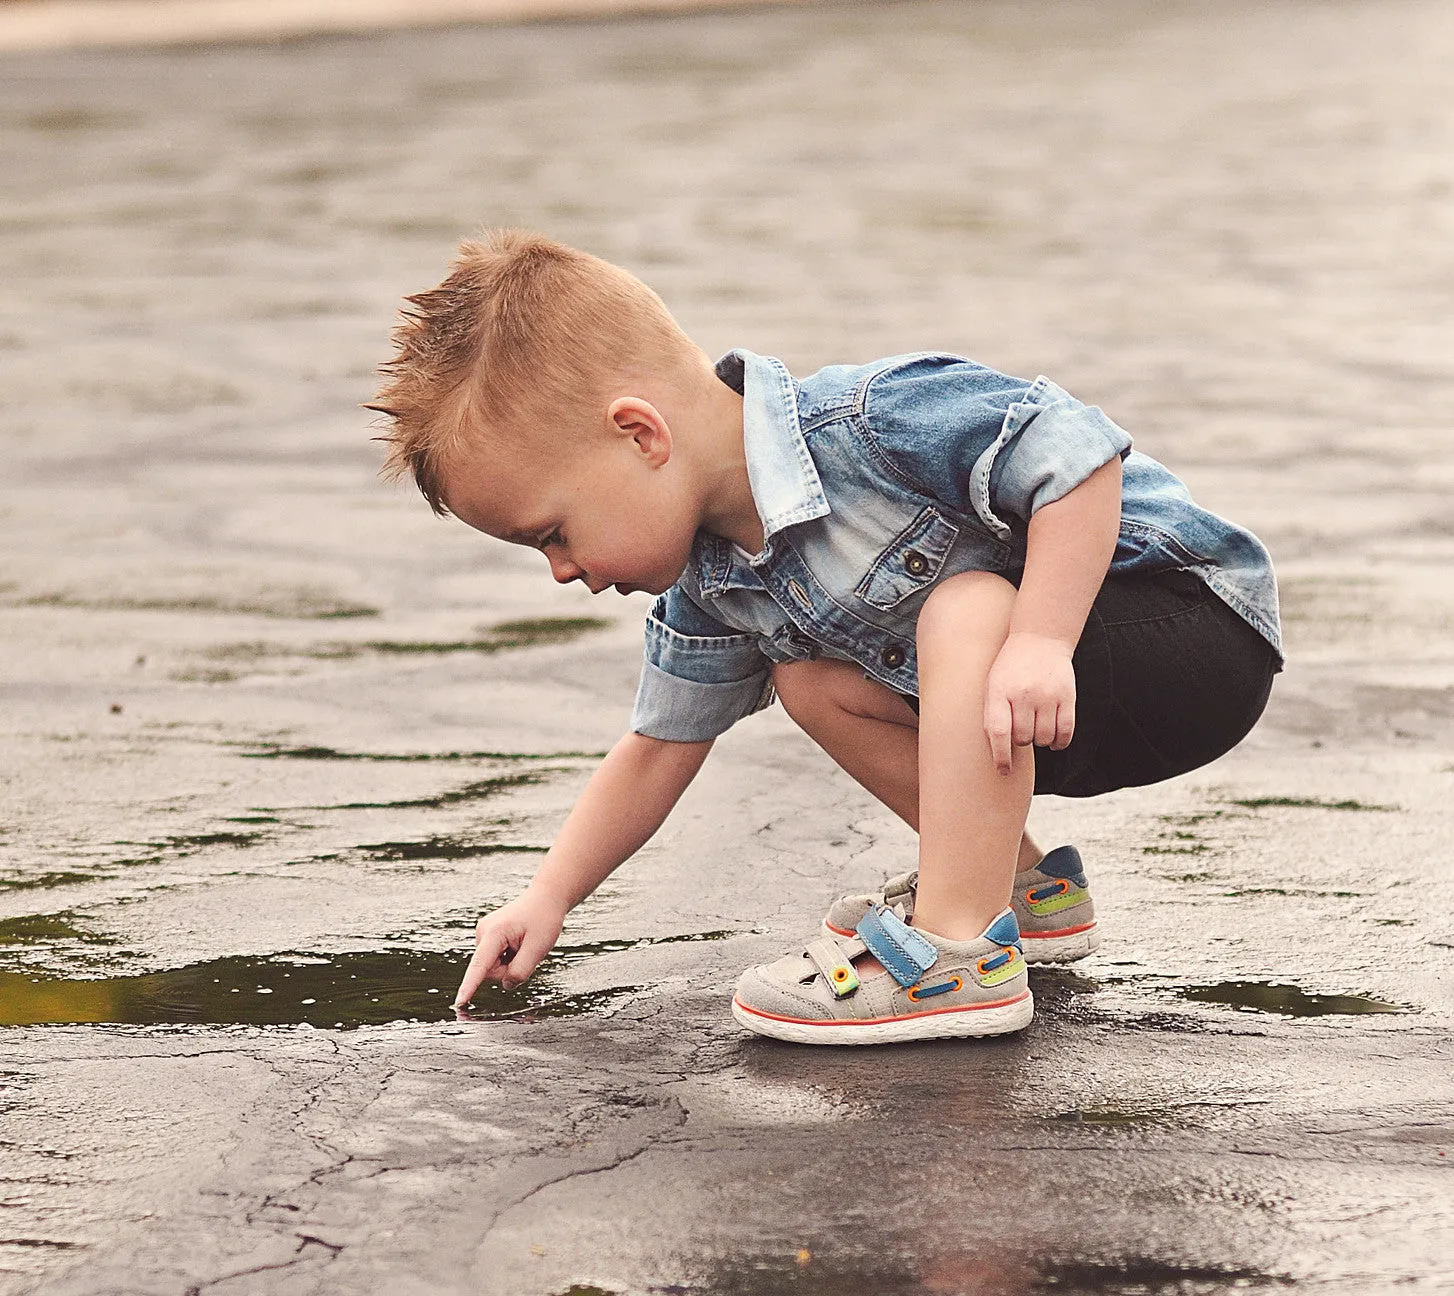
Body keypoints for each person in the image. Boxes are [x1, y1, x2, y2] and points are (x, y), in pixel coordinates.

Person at [368, 230, 1282, 1045]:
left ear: (640, 434)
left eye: (552, 533)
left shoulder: (873, 422)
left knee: (962, 605)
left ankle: (957, 955)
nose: (562, 572)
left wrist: (1041, 638)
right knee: (809, 678)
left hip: (1183, 632)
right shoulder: (715, 579)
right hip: (1037, 718)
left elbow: (1079, 455)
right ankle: (1021, 890)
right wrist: (548, 898)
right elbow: (658, 745)